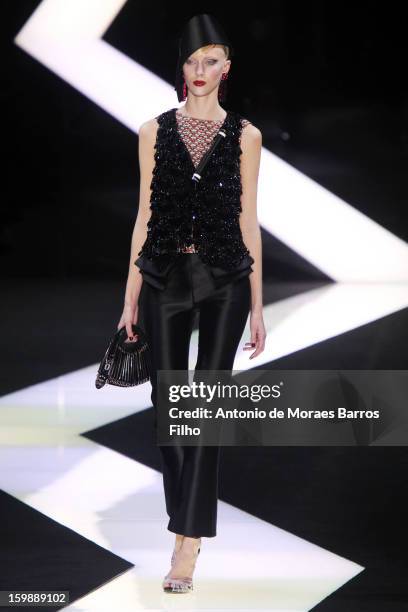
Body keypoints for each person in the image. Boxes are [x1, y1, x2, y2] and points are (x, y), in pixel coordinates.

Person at [118, 13, 266, 593]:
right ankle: (185, 521)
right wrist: (129, 297)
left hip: (227, 277)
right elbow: (144, 217)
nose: (200, 71)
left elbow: (248, 220)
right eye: (192, 60)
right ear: (180, 67)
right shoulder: (153, 131)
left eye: (212, 61)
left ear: (226, 68)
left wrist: (257, 302)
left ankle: (188, 542)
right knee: (167, 406)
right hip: (166, 277)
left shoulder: (247, 136)